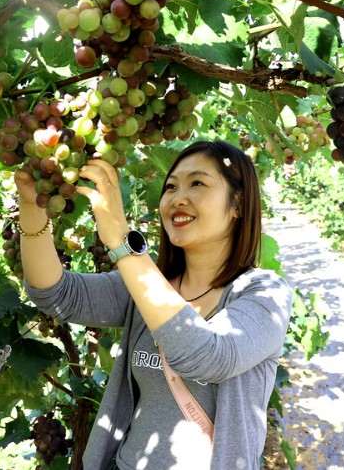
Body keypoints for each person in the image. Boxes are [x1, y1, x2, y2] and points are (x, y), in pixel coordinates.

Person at [16, 140, 293, 470]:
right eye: (171, 186)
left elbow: (207, 356)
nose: (177, 198)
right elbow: (57, 295)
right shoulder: (148, 286)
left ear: (239, 205)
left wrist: (121, 240)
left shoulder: (263, 293)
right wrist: (32, 206)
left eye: (198, 183)